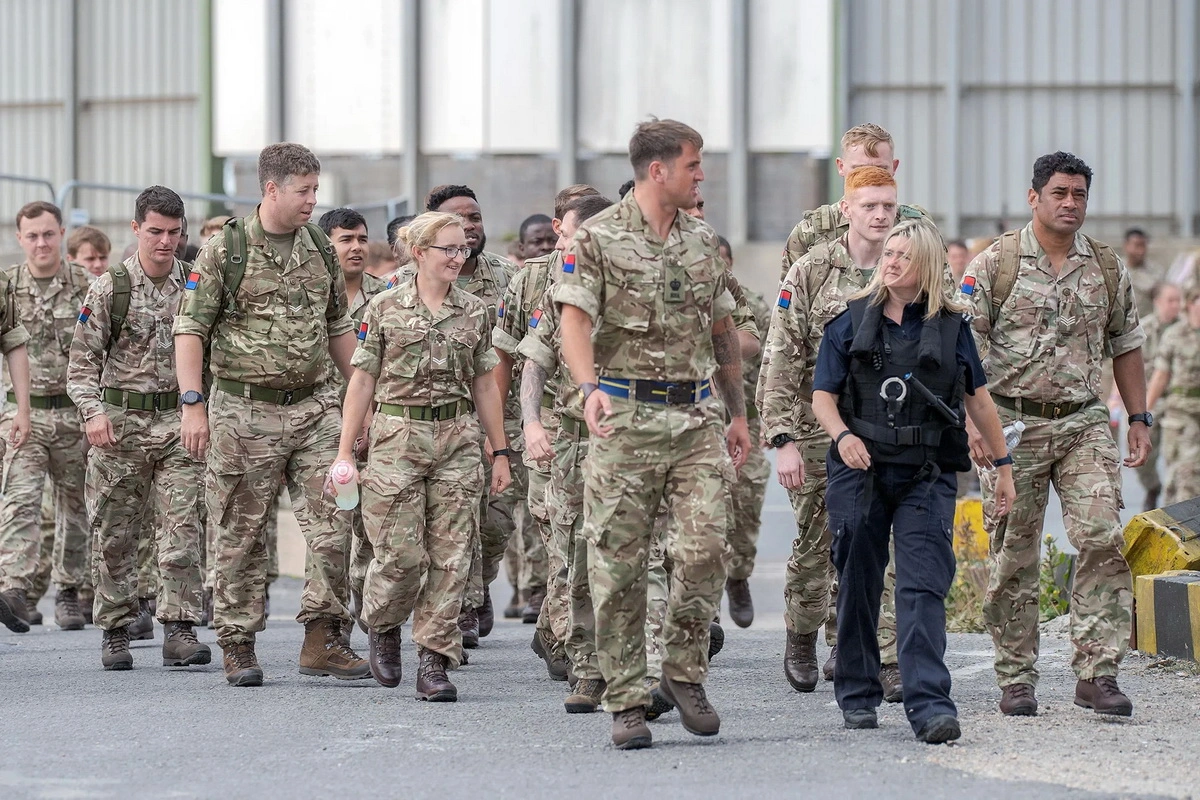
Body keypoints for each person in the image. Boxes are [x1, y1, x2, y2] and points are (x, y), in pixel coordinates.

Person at [555, 118, 748, 749]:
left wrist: (738, 411)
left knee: (703, 550)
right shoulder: (598, 239)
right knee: (619, 563)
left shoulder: (701, 241)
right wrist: (589, 390)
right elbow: (574, 321)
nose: (702, 175)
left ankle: (684, 672)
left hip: (696, 416)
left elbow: (722, 331)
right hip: (624, 415)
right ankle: (626, 698)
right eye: (694, 164)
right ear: (657, 170)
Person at [812, 218, 1014, 743]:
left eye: (903, 253)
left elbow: (979, 400)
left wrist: (1004, 466)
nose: (891, 260)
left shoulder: (952, 328)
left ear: (924, 263)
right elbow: (823, 396)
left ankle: (929, 705)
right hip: (860, 467)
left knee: (923, 583)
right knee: (858, 571)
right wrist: (841, 437)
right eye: (888, 252)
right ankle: (857, 692)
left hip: (926, 472)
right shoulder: (850, 320)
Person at [173, 142, 369, 687]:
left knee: (335, 519)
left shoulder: (318, 248)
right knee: (239, 531)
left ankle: (322, 637)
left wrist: (361, 397)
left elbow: (338, 328)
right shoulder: (225, 249)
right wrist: (193, 404)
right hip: (242, 413)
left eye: (315, 189)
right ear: (272, 189)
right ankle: (238, 642)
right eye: (303, 191)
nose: (313, 201)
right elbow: (190, 330)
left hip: (314, 410)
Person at [962, 151, 1149, 718]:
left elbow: (1127, 344)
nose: (1071, 204)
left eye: (1080, 195)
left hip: (1082, 420)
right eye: (1060, 193)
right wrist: (974, 424)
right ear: (1034, 197)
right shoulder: (995, 263)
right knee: (1014, 554)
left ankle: (1098, 672)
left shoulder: (1108, 268)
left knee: (1100, 537)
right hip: (1010, 426)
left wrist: (1138, 417)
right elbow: (961, 350)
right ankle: (1016, 676)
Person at [335, 211, 511, 701]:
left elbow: (484, 384)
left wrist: (500, 451)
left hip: (456, 439)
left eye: (463, 249)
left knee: (452, 556)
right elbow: (363, 381)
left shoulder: (475, 311)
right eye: (447, 250)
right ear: (419, 253)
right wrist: (346, 451)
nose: (458, 257)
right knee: (400, 555)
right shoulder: (385, 307)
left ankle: (435, 659)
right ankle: (384, 624)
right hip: (396, 439)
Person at [758, 166, 905, 699]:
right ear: (846, 209)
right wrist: (782, 440)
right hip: (815, 426)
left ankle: (878, 655)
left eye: (888, 205)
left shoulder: (905, 267)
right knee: (822, 544)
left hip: (884, 428)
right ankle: (801, 633)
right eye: (869, 205)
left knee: (880, 540)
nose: (881, 215)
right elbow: (779, 358)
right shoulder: (810, 271)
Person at [66, 185, 210, 670]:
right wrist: (93, 413)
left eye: (173, 232)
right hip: (120, 428)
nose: (165, 241)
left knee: (183, 528)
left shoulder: (195, 286)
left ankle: (181, 629)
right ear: (136, 229)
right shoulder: (110, 287)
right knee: (114, 533)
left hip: (179, 424)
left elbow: (213, 357)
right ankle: (115, 629)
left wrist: (204, 409)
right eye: (155, 232)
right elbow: (81, 364)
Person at [495, 185, 600, 677]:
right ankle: (564, 636)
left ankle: (564, 634)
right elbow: (511, 355)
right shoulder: (532, 280)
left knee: (588, 540)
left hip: (611, 431)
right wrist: (513, 428)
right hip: (554, 432)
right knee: (558, 535)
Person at [518, 193, 615, 706]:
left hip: (637, 445)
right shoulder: (565, 292)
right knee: (575, 557)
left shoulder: (644, 282)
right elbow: (535, 362)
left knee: (644, 558)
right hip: (576, 446)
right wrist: (533, 423)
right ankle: (586, 668)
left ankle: (643, 669)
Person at [424, 185, 520, 646]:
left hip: (502, 415)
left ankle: (478, 581)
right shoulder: (407, 283)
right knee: (449, 518)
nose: (471, 227)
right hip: (432, 419)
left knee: (497, 520)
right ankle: (459, 603)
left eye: (476, 218)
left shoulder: (508, 277)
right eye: (459, 220)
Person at [0, 201, 91, 633]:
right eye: (32, 235)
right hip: (25, 414)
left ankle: (69, 592)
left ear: (61, 234)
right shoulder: (7, 286)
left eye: (48, 234)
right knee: (20, 498)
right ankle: (14, 589)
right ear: (20, 238)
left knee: (75, 506)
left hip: (75, 415)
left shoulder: (87, 286)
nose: (41, 243)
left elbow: (103, 349)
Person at [317, 208, 389, 627]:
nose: (356, 247)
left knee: (374, 523)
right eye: (346, 239)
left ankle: (367, 600)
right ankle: (332, 616)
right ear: (326, 245)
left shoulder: (386, 297)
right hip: (326, 425)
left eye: (361, 239)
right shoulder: (311, 296)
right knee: (332, 524)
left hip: (378, 427)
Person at [778, 123, 928, 282]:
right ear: (841, 167)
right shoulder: (811, 232)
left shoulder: (917, 229)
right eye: (859, 169)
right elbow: (793, 297)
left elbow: (940, 297)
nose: (870, 176)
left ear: (894, 167)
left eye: (881, 169)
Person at [717, 235, 770, 628]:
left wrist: (771, 420)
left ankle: (738, 576)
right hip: (697, 420)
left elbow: (773, 364)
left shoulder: (753, 304)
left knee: (746, 509)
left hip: (746, 418)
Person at [1146, 286, 1200, 505]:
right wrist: (1144, 413)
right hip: (1180, 413)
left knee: (1192, 474)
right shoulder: (1175, 334)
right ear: (1190, 305)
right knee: (1179, 473)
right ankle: (1173, 527)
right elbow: (1161, 376)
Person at [1130, 282, 1181, 509]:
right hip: (1147, 401)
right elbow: (1126, 365)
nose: (1176, 306)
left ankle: (1175, 501)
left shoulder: (1187, 329)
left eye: (1179, 301)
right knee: (1141, 457)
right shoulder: (1144, 330)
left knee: (1178, 458)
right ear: (1158, 302)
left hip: (1175, 403)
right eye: (1171, 300)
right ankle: (1153, 487)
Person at [1123, 228, 1164, 318]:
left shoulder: (1156, 271)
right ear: (1126, 246)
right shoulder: (1117, 268)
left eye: (1143, 246)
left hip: (1147, 323)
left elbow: (1159, 293)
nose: (1141, 251)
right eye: (1137, 246)